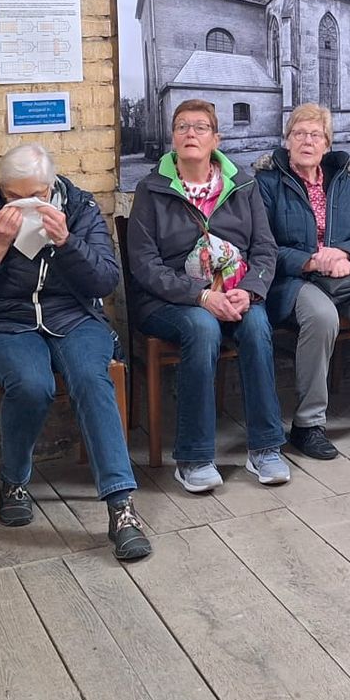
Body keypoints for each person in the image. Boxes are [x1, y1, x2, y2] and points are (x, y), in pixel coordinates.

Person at [0, 143, 149, 561]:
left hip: (73, 317)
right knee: (31, 384)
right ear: (2, 191)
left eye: (37, 196)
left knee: (92, 381)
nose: (27, 205)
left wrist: (67, 242)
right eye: (15, 197)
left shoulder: (79, 206)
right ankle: (14, 480)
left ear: (52, 186)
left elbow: (105, 281)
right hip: (3, 323)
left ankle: (121, 507)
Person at [127, 99, 290, 492]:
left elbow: (265, 248)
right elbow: (145, 264)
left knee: (255, 324)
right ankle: (194, 457)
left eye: (200, 127)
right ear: (172, 138)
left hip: (236, 293)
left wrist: (249, 292)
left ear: (216, 138)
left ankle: (265, 449)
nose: (190, 134)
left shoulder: (244, 185)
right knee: (202, 328)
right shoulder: (151, 189)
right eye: (182, 127)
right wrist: (201, 296)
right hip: (169, 301)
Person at [256, 103, 350, 452]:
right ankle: (308, 424)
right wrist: (312, 262)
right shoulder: (267, 184)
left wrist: (344, 254)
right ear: (287, 140)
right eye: (299, 133)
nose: (307, 141)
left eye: (315, 135)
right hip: (296, 280)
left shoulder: (345, 180)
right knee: (323, 317)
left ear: (327, 144)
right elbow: (261, 246)